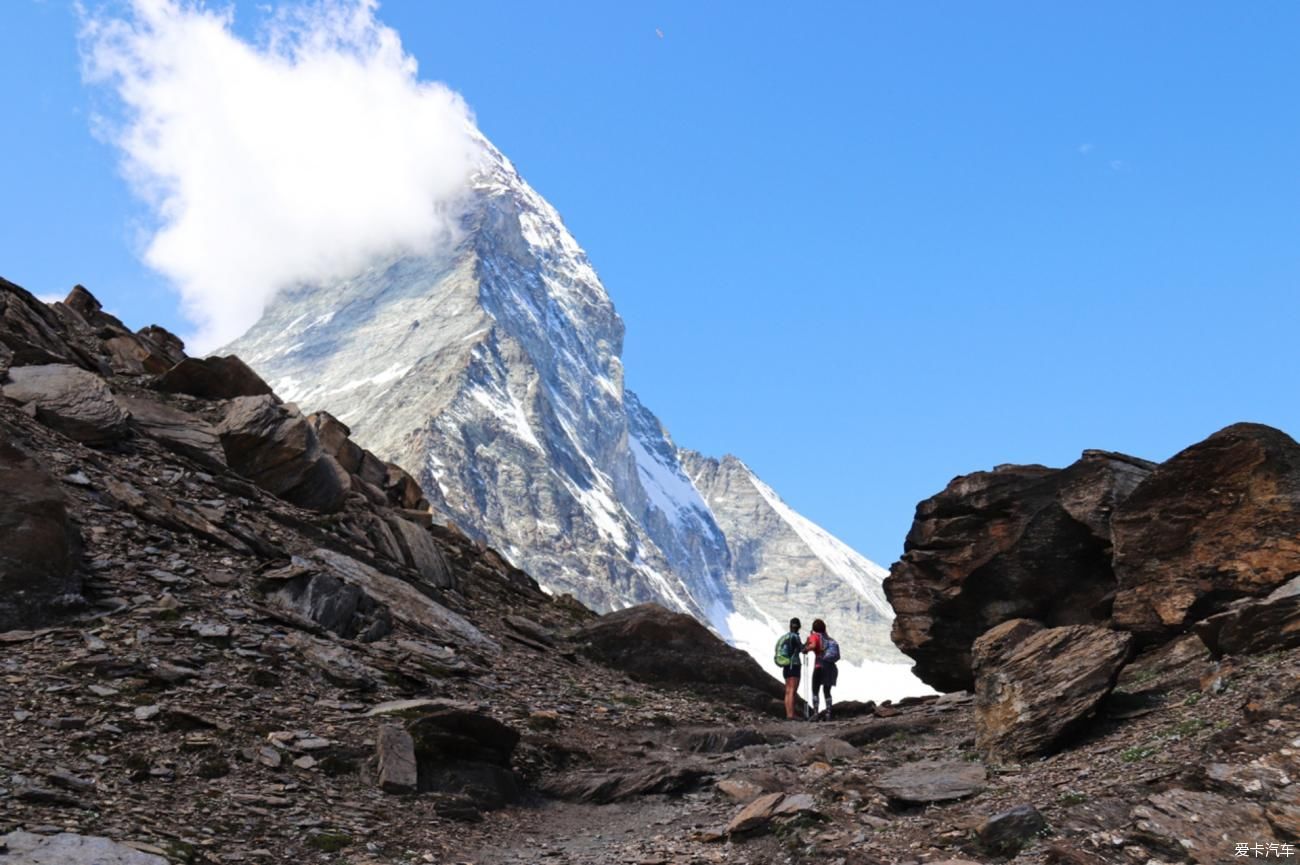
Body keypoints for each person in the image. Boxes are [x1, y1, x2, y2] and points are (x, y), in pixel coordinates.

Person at [803, 618, 838, 721]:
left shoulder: (814, 636)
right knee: (827, 691)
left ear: (814, 628)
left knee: (815, 690)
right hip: (830, 667)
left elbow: (813, 645)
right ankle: (828, 713)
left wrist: (806, 648)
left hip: (819, 666)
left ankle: (816, 713)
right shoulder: (830, 639)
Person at [777, 617, 803, 720]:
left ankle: (789, 714)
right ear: (799, 627)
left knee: (788, 690)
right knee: (792, 690)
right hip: (794, 665)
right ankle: (791, 715)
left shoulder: (785, 637)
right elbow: (802, 649)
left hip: (786, 666)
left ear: (790, 626)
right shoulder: (795, 637)